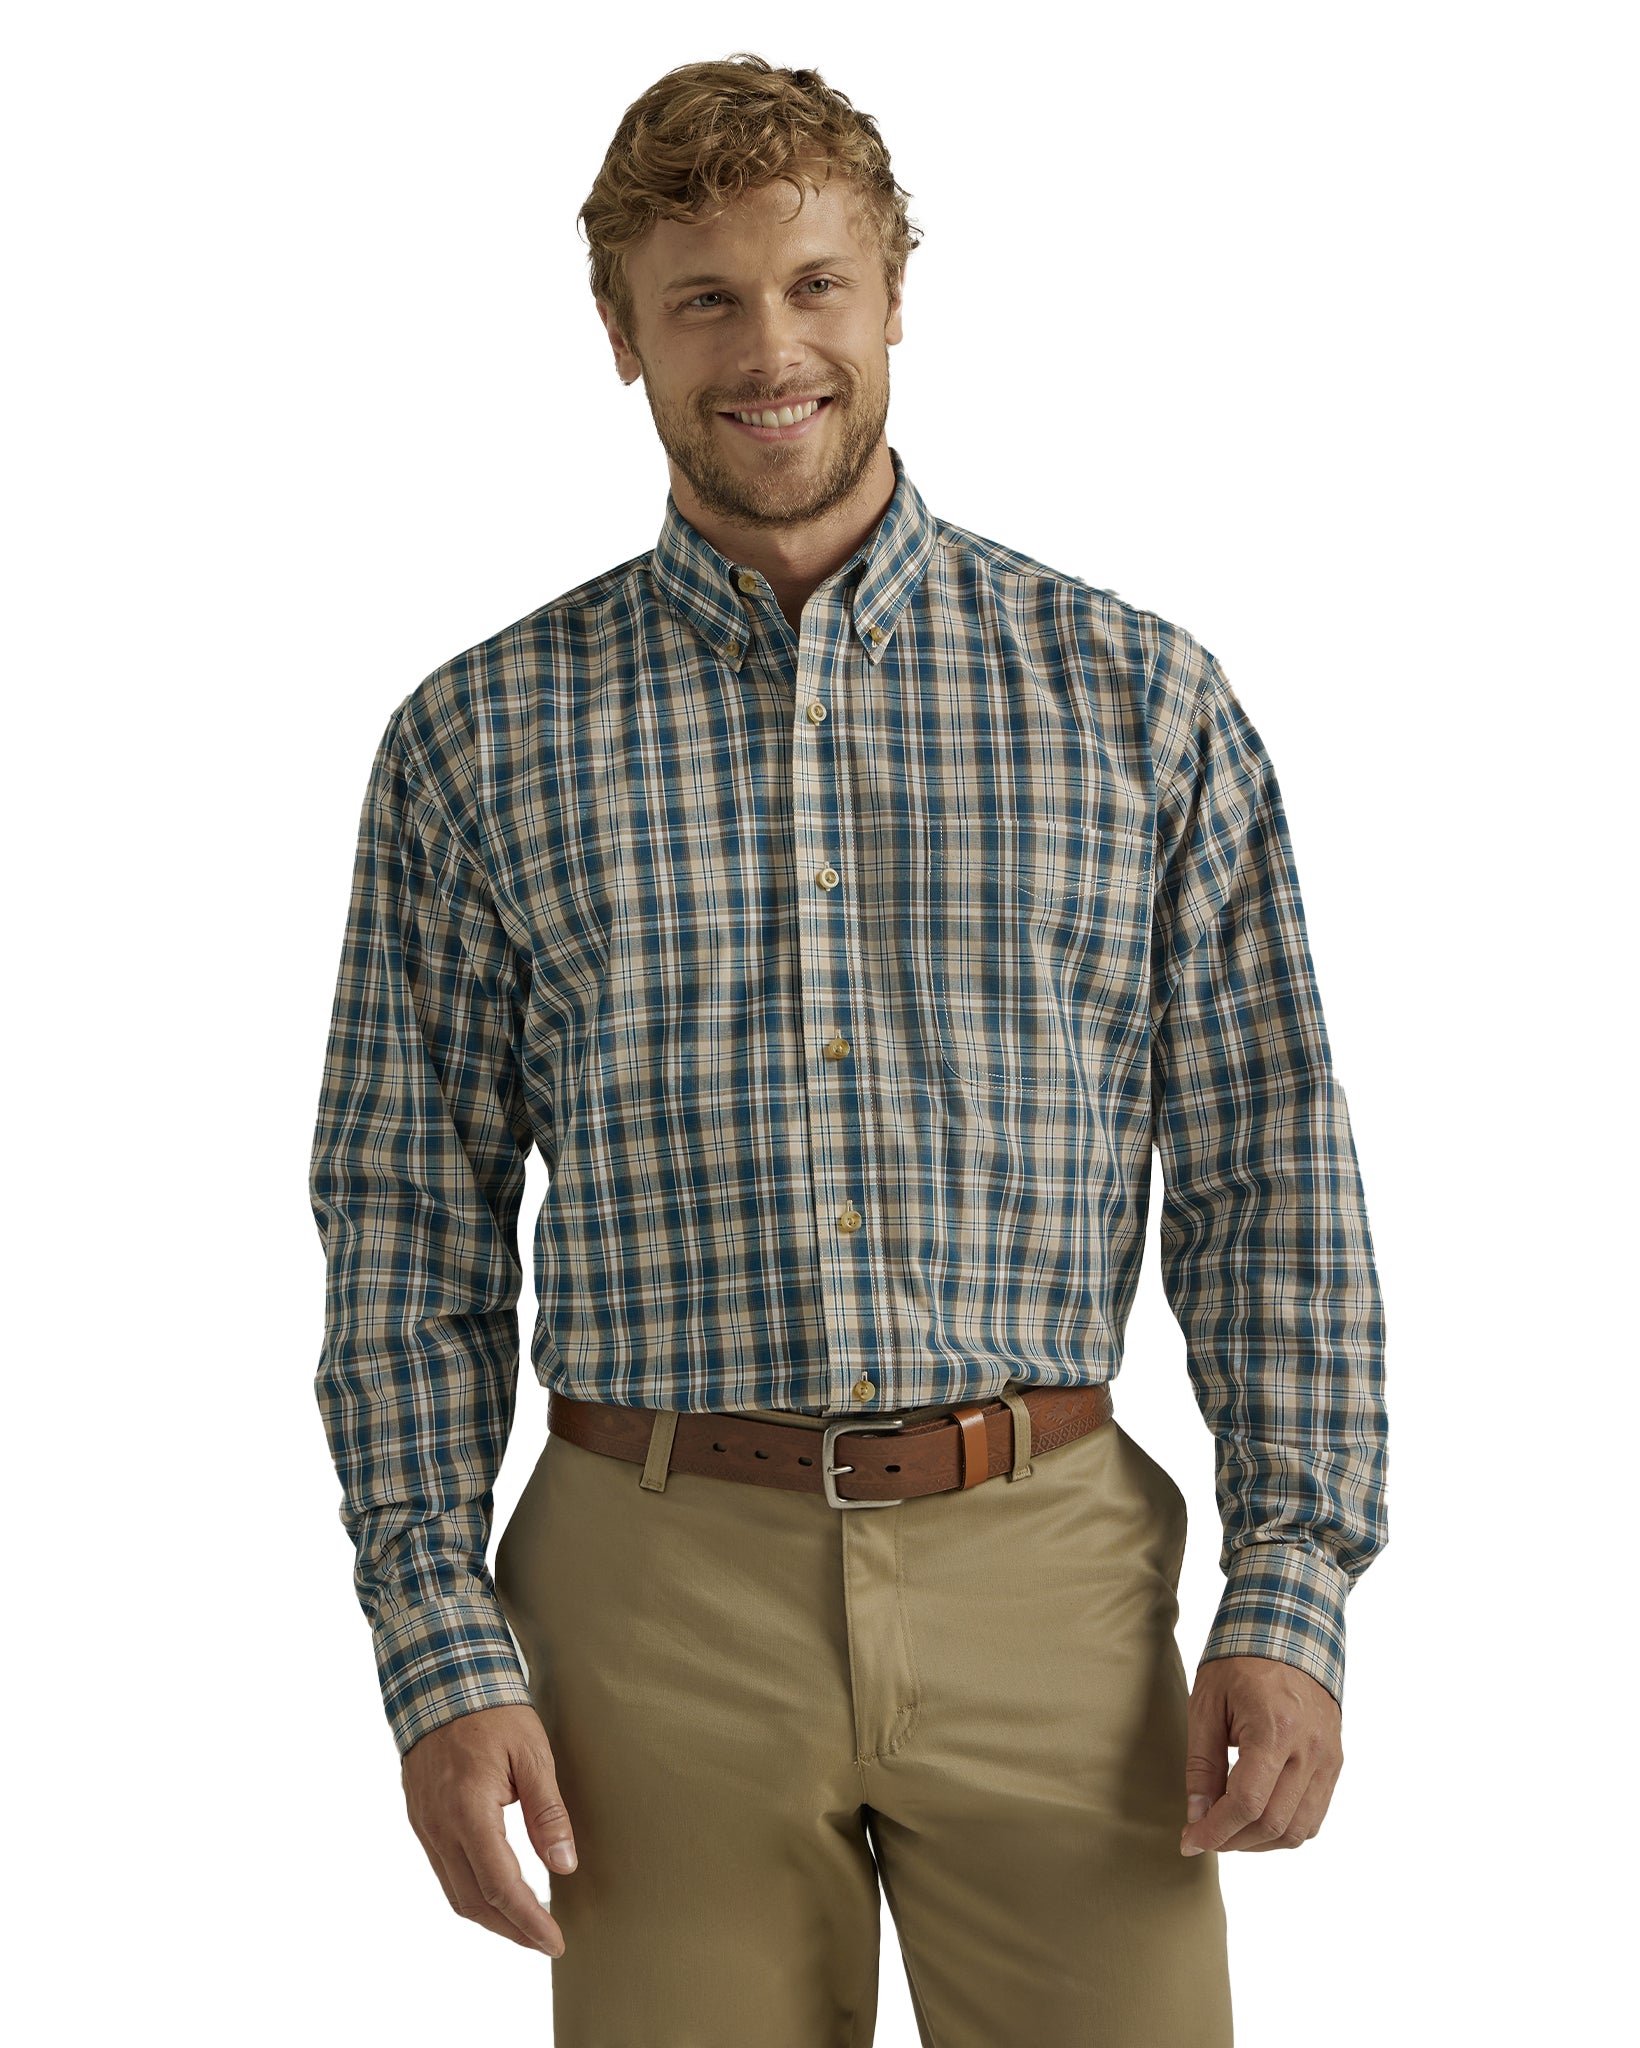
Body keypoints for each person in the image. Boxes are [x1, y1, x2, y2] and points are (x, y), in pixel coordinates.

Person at [308, 51, 1388, 2048]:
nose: (769, 350)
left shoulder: (1140, 703)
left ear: (894, 295)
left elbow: (1270, 1180)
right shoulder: (476, 739)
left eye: (816, 284)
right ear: (621, 333)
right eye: (704, 299)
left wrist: (1292, 1584)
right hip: (645, 1601)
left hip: (1054, 1578)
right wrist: (436, 1642)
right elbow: (404, 1222)